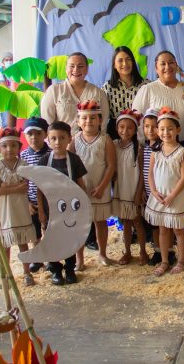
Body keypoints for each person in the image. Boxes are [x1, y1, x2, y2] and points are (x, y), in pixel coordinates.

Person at [38, 121, 89, 285]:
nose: (58, 142)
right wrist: (41, 210)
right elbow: (39, 188)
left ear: (69, 139)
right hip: (50, 209)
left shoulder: (74, 160)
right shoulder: (44, 160)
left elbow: (81, 184)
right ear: (48, 140)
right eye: (53, 138)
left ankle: (69, 268)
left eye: (62, 138)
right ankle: (55, 270)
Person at [144, 108, 184, 276]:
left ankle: (181, 261)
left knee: (178, 230)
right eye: (162, 129)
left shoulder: (182, 152)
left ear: (178, 130)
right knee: (163, 229)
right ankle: (165, 260)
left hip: (175, 198)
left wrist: (172, 196)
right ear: (157, 131)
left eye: (170, 128)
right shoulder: (155, 151)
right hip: (160, 197)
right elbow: (150, 174)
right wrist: (154, 192)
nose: (166, 132)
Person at [73, 101, 117, 267]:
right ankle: (79, 259)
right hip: (81, 190)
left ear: (100, 120)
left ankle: (103, 254)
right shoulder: (74, 140)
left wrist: (102, 187)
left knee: (100, 222)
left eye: (92, 118)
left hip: (100, 188)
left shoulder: (106, 140)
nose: (88, 121)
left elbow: (111, 165)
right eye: (84, 118)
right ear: (78, 121)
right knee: (80, 225)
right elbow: (69, 165)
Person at [132, 51, 184, 154]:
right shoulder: (148, 89)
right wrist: (143, 143)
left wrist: (182, 132)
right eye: (163, 63)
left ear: (176, 66)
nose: (167, 67)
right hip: (157, 148)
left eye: (171, 62)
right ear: (156, 68)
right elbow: (137, 118)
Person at [0, 127, 36, 286]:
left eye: (13, 145)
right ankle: (6, 273)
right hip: (5, 211)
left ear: (19, 147)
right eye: (4, 146)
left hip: (20, 209)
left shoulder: (23, 164)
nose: (9, 149)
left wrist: (6, 188)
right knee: (6, 243)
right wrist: (15, 188)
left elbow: (26, 186)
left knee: (22, 242)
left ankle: (27, 272)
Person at [112, 108, 149, 266]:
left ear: (135, 130)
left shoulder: (138, 148)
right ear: (116, 128)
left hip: (133, 190)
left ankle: (143, 251)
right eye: (121, 127)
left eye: (129, 128)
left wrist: (139, 192)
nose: (125, 131)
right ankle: (127, 252)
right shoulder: (113, 145)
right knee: (125, 223)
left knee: (137, 222)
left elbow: (141, 174)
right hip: (120, 190)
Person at [140, 108, 177, 266]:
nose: (150, 130)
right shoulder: (144, 147)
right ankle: (158, 250)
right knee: (155, 224)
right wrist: (143, 189)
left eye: (154, 126)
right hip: (151, 192)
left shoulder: (164, 147)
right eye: (146, 126)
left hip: (164, 192)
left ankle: (169, 251)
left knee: (167, 224)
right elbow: (144, 172)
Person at [40, 52, 109, 134]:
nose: (76, 70)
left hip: (92, 144)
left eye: (80, 66)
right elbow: (47, 124)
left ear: (87, 69)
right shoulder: (54, 91)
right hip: (62, 144)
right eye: (72, 66)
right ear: (66, 69)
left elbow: (104, 123)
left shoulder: (98, 93)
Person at [19, 116, 51, 274]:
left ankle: (53, 258)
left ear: (45, 134)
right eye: (30, 133)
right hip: (32, 201)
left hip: (49, 202)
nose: (34, 137)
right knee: (35, 232)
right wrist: (26, 202)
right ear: (25, 136)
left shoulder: (52, 153)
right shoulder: (23, 157)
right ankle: (38, 258)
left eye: (38, 133)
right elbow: (21, 181)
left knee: (50, 230)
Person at [101, 46, 150, 139]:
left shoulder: (146, 85)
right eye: (120, 60)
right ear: (114, 65)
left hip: (139, 131)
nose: (125, 63)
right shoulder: (107, 87)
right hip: (115, 132)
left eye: (128, 59)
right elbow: (103, 114)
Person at [0, 52, 15, 127]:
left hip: (15, 99)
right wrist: (12, 92)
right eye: (6, 60)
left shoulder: (14, 71)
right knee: (7, 122)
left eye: (11, 60)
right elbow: (2, 85)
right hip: (4, 100)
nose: (9, 61)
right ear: (3, 61)